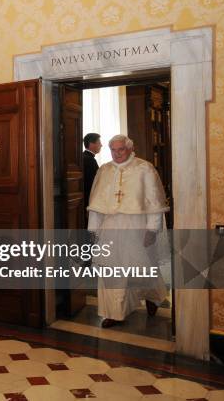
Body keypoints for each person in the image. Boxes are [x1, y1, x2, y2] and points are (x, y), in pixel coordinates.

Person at [87, 134, 169, 328]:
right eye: (113, 150)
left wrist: (152, 230)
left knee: (142, 267)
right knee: (110, 270)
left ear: (130, 149)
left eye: (121, 149)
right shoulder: (105, 170)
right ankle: (114, 312)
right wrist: (93, 231)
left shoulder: (145, 168)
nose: (117, 154)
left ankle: (152, 295)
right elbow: (97, 204)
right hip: (110, 228)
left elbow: (154, 203)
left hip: (137, 227)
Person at [83, 133, 102, 210]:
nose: (101, 145)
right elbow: (94, 182)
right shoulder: (89, 160)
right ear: (91, 144)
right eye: (99, 143)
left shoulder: (85, 157)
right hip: (88, 197)